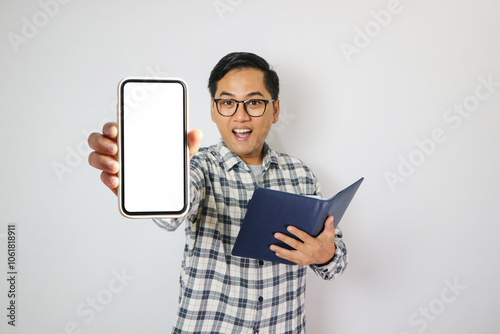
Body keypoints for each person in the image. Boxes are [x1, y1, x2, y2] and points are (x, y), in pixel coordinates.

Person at [88, 52, 348, 333]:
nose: (240, 114)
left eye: (255, 102)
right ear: (213, 110)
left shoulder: (302, 175)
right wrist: (150, 183)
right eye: (227, 102)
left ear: (275, 110)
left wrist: (325, 254)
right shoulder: (197, 167)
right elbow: (170, 214)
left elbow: (336, 263)